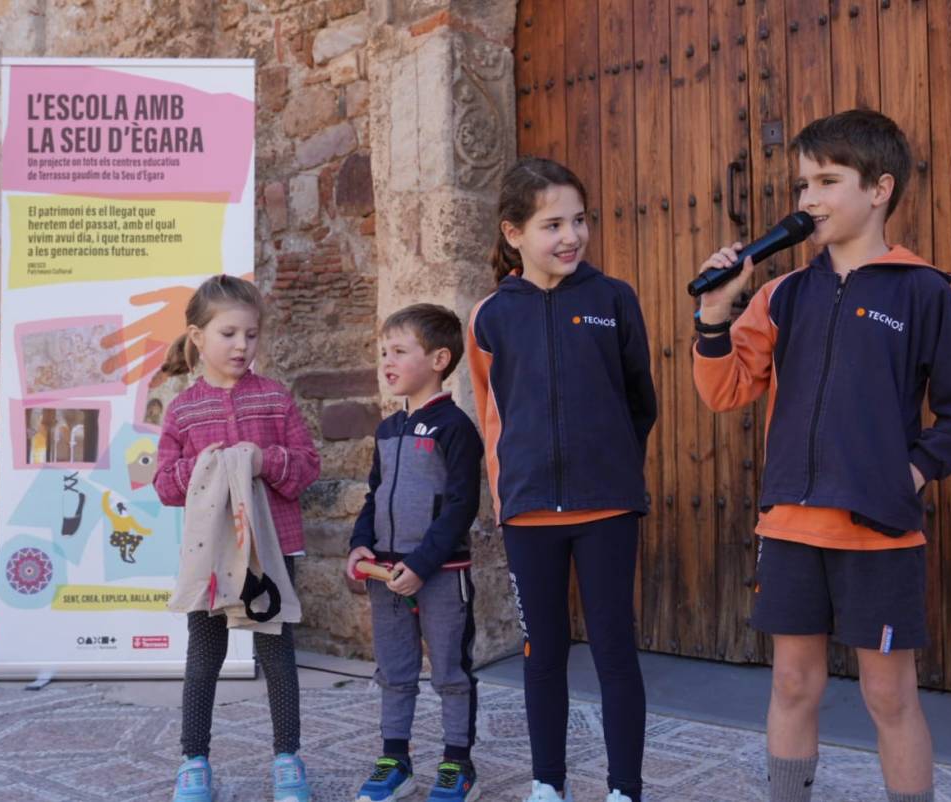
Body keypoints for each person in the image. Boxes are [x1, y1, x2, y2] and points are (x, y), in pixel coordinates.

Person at [691, 109, 951, 802]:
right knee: (793, 683)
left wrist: (910, 471)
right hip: (791, 529)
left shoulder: (923, 291)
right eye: (803, 184)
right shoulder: (783, 293)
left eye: (828, 181)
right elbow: (725, 390)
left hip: (878, 534)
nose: (809, 199)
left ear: (880, 189)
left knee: (889, 695)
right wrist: (713, 317)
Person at [467, 157, 658, 802]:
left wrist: (613, 466)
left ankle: (624, 789)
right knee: (542, 653)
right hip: (528, 514)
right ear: (514, 232)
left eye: (579, 220)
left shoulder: (613, 299)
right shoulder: (490, 316)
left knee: (614, 651)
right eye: (553, 225)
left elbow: (640, 402)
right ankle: (548, 784)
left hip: (607, 508)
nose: (571, 236)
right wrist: (510, 492)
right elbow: (493, 415)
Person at [154, 274, 321, 802]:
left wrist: (264, 460)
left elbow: (307, 466)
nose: (241, 346)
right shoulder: (183, 410)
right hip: (210, 556)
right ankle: (194, 760)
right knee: (204, 656)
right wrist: (201, 468)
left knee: (276, 653)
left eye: (251, 334)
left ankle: (287, 758)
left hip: (272, 550)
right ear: (197, 337)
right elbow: (164, 484)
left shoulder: (274, 398)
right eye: (228, 334)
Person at [346, 303, 484, 802]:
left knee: (450, 670)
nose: (387, 361)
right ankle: (395, 760)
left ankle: (458, 764)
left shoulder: (455, 428)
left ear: (439, 359)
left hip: (440, 573)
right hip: (385, 574)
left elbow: (461, 506)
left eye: (400, 351)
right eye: (384, 351)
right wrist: (359, 544)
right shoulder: (387, 430)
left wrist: (422, 564)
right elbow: (374, 495)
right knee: (394, 670)